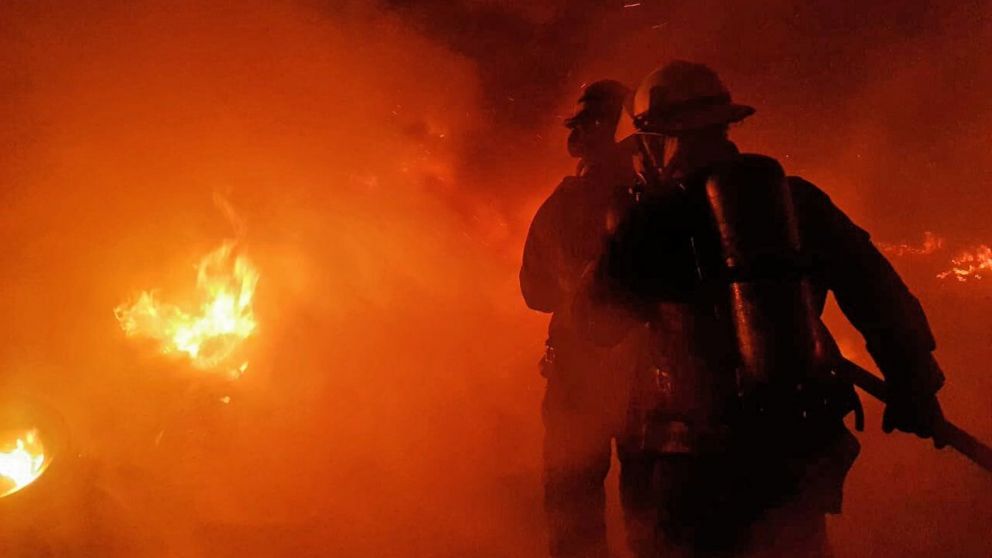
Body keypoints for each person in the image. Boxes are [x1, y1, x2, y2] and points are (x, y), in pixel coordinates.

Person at [581, 61, 946, 557]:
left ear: (659, 138)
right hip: (789, 452)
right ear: (725, 125)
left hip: (687, 461)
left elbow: (595, 322)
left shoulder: (653, 221)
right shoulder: (798, 202)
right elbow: (879, 294)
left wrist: (615, 232)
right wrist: (915, 383)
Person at [520, 80, 656, 558]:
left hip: (579, 380)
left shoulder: (563, 204)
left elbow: (534, 293)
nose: (576, 132)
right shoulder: (658, 199)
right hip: (653, 383)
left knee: (574, 513)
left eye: (584, 123)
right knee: (655, 519)